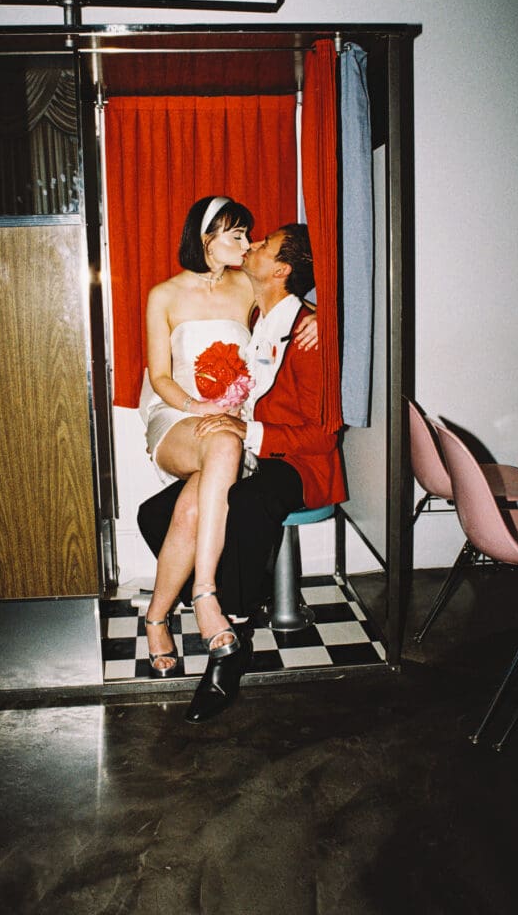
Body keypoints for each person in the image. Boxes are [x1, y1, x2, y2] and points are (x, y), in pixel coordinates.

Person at [139, 219, 345, 723]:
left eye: (264, 245)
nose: (251, 245)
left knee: (246, 505)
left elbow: (323, 437)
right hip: (253, 453)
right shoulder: (260, 317)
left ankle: (228, 636)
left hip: (298, 464)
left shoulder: (308, 335)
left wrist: (247, 432)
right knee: (156, 514)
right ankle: (204, 601)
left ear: (280, 270)